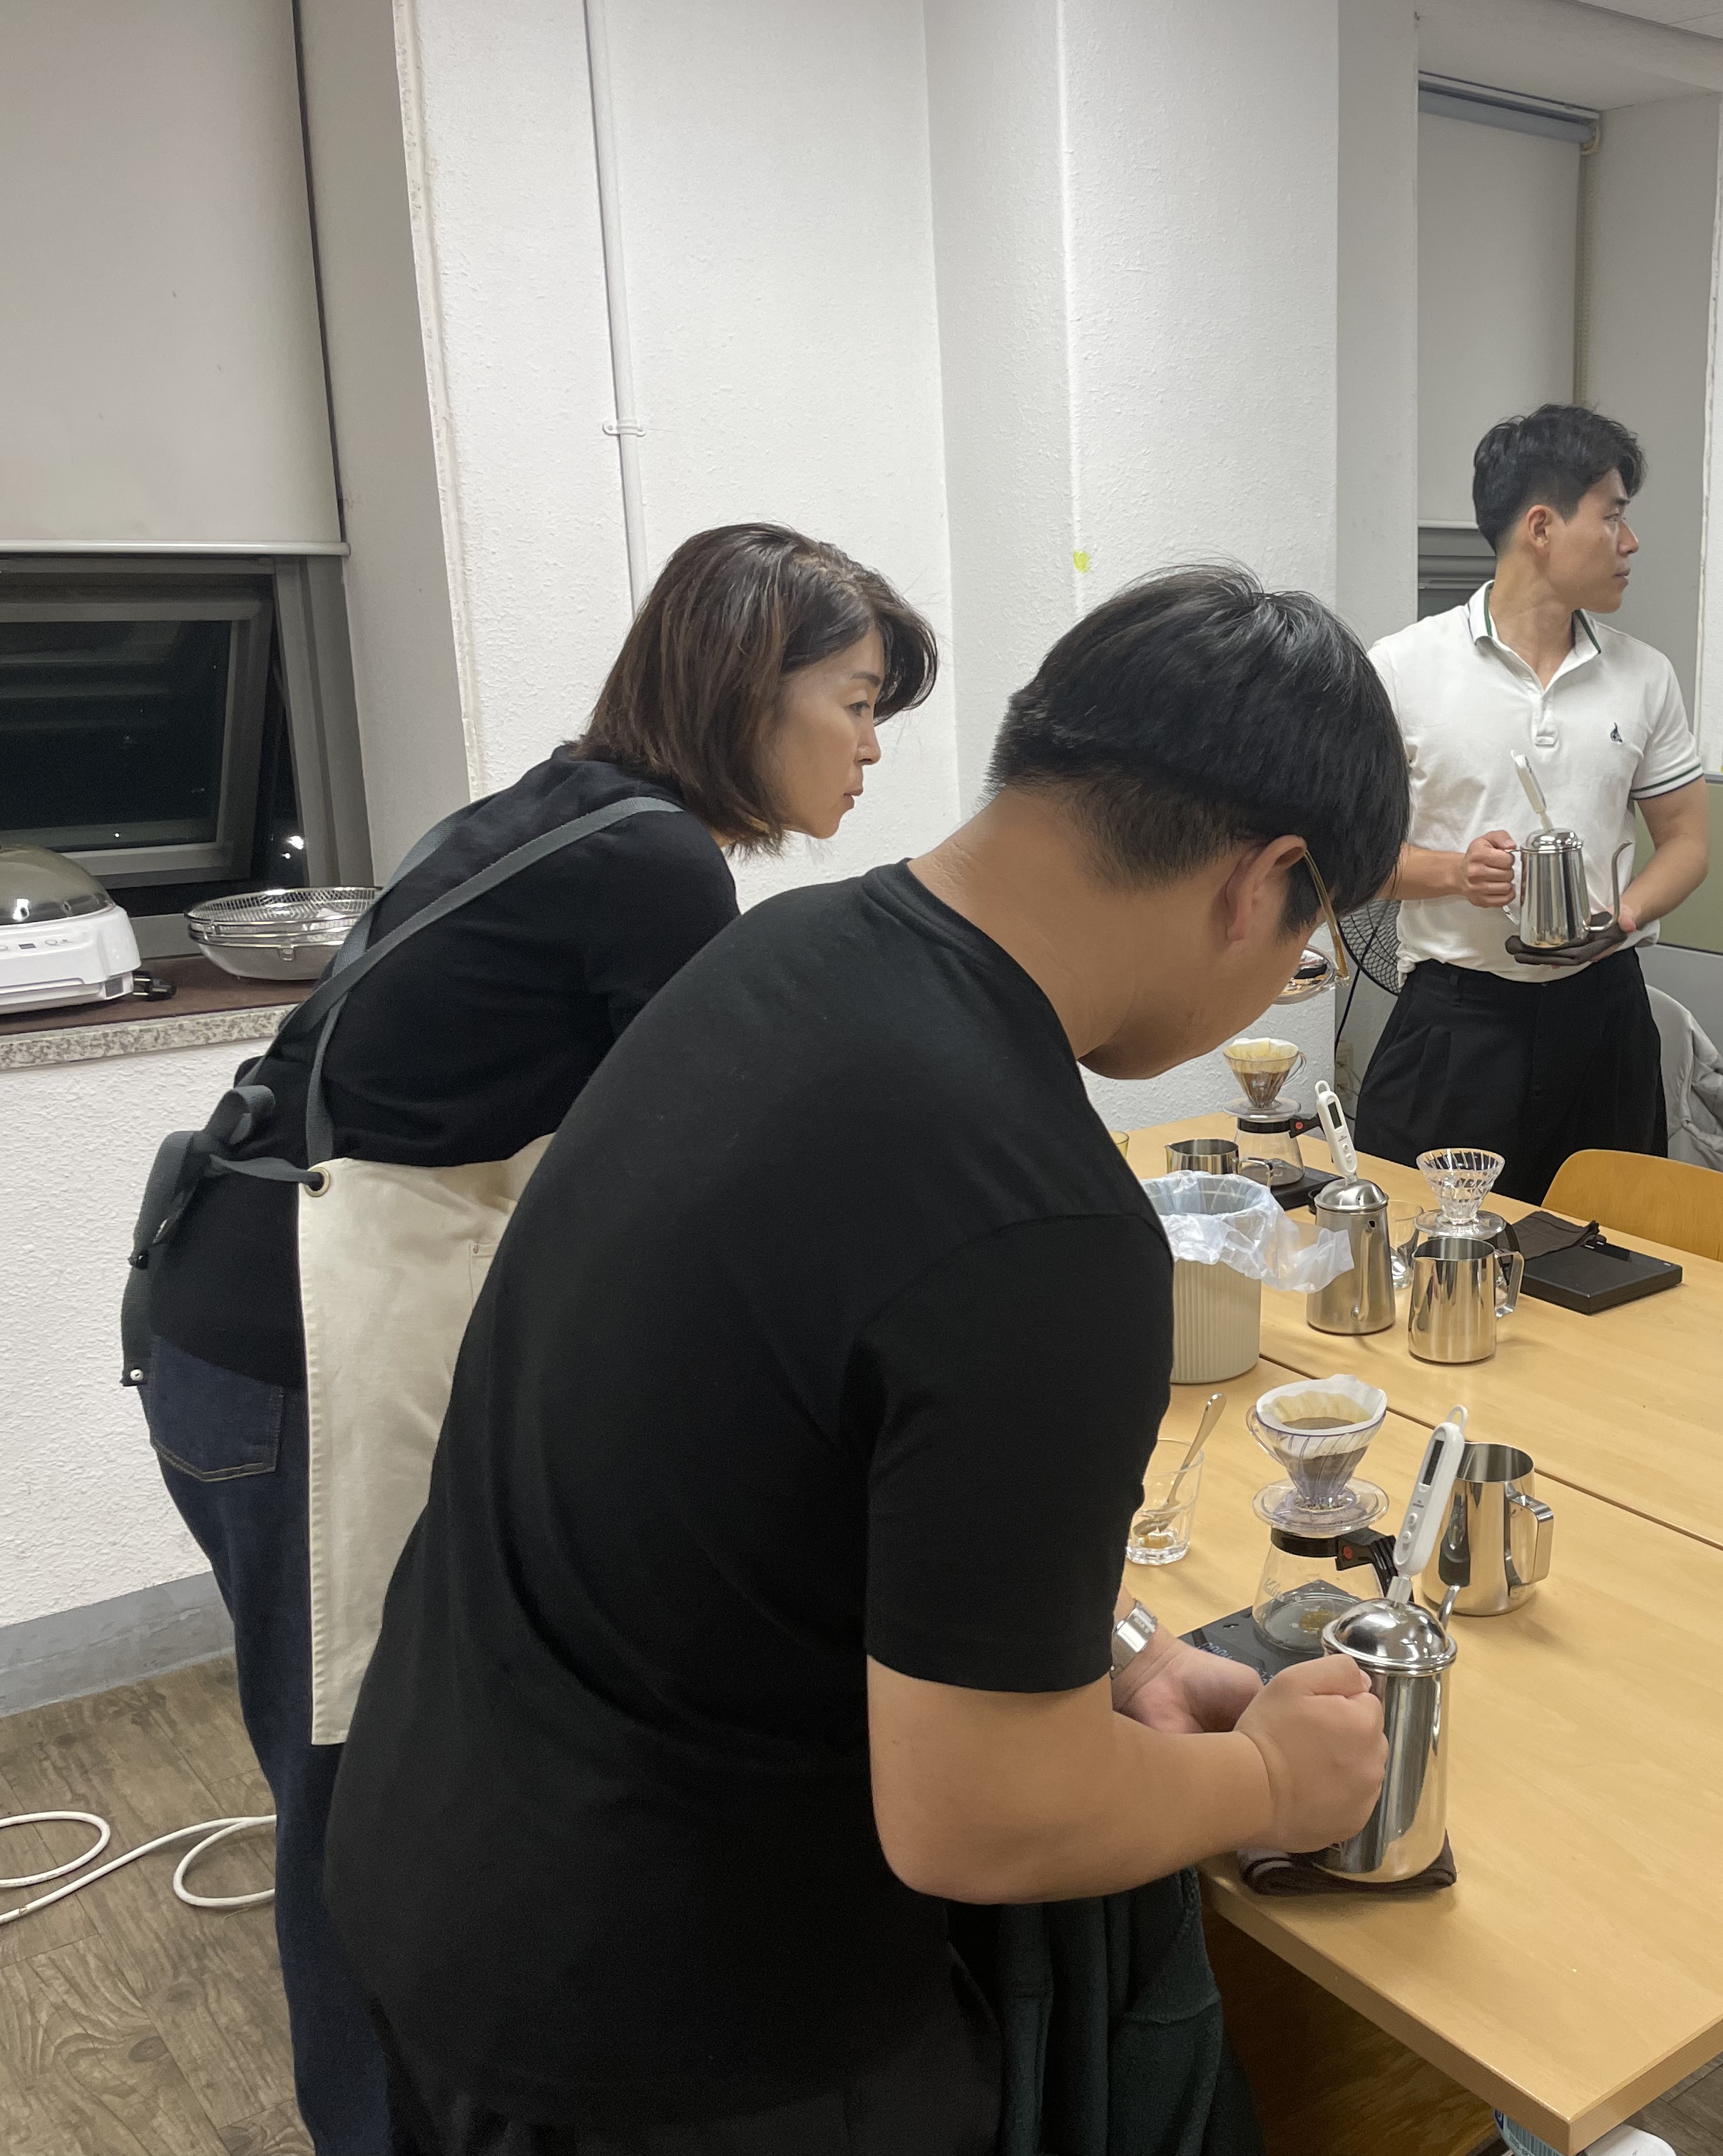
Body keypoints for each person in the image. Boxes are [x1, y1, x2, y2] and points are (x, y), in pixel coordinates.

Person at [324, 567, 1402, 2154]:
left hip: (442, 1851)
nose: (1283, 980)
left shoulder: (784, 956)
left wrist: (1096, 1657)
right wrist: (1271, 1788)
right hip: (669, 2015)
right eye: (1312, 948)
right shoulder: (1038, 1218)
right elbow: (982, 1817)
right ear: (1266, 881)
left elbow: (762, 1464)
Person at [128, 523, 935, 2156]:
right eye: (856, 703)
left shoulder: (572, 808)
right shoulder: (656, 867)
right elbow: (720, 1171)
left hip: (226, 1307)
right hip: (290, 1346)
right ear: (750, 689)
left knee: (377, 1767)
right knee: (356, 1786)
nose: (870, 750)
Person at [1357, 404, 1710, 1202]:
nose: (1630, 542)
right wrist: (1455, 873)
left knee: (1609, 1247)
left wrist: (1623, 914)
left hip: (1604, 1015)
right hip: (1457, 1021)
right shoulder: (1404, 668)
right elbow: (1350, 859)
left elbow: (1688, 842)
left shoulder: (1645, 675)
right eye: (1612, 516)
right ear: (1541, 527)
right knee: (1428, 1245)